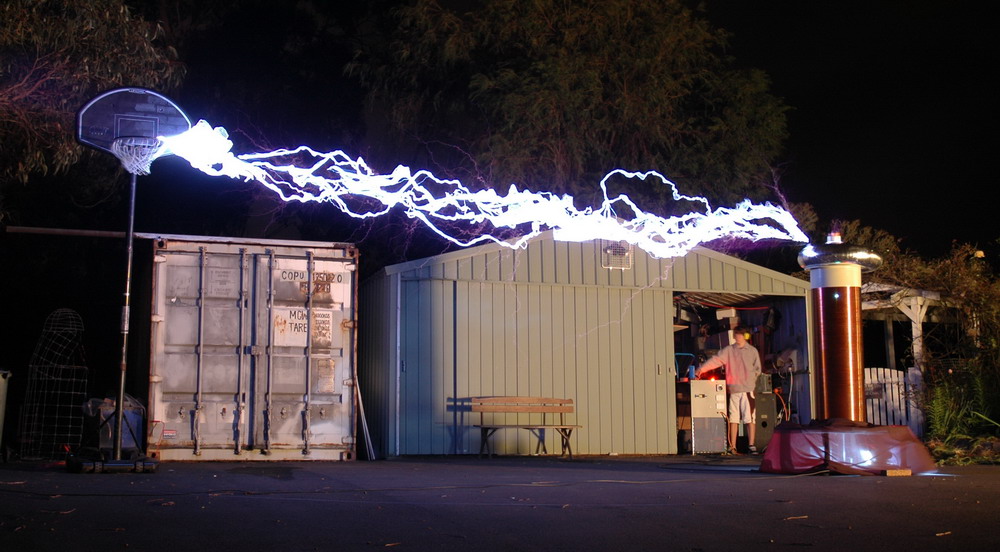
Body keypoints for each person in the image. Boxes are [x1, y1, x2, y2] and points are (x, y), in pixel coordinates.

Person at [694, 325, 762, 454]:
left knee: (749, 418)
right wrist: (701, 369)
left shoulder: (752, 351)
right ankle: (733, 446)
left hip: (748, 389)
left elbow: (757, 369)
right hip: (734, 389)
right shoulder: (729, 350)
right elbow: (716, 360)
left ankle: (751, 445)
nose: (737, 337)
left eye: (739, 334)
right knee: (733, 418)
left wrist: (751, 378)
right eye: (736, 334)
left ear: (744, 336)